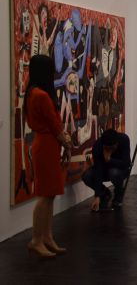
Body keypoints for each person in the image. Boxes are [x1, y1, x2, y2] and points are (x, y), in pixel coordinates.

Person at [24, 54, 72, 258]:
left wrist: (63, 141)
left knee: (49, 193)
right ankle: (36, 239)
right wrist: (67, 143)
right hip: (46, 145)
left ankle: (47, 237)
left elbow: (54, 124)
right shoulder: (41, 96)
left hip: (47, 144)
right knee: (45, 195)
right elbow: (54, 124)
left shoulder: (33, 93)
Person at [82, 128, 131, 211]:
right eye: (107, 148)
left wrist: (110, 160)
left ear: (117, 144)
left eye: (112, 148)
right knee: (87, 176)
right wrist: (97, 196)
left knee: (114, 172)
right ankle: (104, 193)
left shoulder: (124, 139)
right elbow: (98, 171)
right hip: (104, 170)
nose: (109, 150)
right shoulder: (98, 146)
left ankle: (118, 195)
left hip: (121, 170)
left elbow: (126, 164)